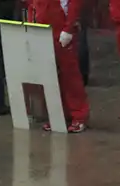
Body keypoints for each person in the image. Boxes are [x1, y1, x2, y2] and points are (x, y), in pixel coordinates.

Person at [29, 0, 90, 132]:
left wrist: (68, 29)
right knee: (49, 76)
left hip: (60, 30)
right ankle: (57, 115)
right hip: (42, 29)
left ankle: (79, 116)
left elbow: (74, 4)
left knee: (70, 76)